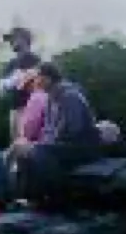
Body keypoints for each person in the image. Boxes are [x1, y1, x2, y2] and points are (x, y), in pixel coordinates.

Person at [17, 62, 101, 203]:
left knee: (42, 152)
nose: (36, 82)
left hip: (82, 146)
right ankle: (31, 198)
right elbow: (48, 129)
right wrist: (40, 142)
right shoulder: (51, 97)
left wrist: (47, 143)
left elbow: (74, 129)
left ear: (48, 78)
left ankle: (57, 197)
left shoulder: (70, 96)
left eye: (38, 77)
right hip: (62, 144)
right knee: (25, 153)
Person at [0, 27, 42, 143]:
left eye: (13, 39)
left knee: (27, 143)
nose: (10, 43)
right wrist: (12, 81)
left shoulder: (33, 59)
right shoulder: (10, 63)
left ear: (24, 39)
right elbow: (1, 89)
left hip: (29, 108)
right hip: (14, 109)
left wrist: (12, 81)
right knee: (16, 144)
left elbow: (25, 81)